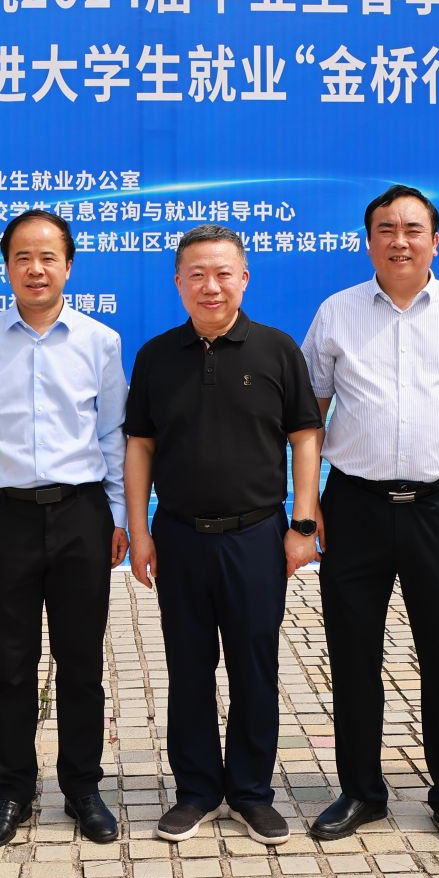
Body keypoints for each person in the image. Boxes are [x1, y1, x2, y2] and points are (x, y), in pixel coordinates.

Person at [302, 183, 439, 857]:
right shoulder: (336, 313)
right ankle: (361, 791)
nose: (400, 241)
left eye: (413, 229)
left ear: (435, 240)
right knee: (353, 656)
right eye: (386, 230)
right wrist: (307, 508)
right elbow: (309, 417)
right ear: (368, 240)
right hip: (356, 506)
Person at [124, 225, 322, 845]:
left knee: (254, 667)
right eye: (197, 276)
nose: (211, 287)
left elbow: (305, 437)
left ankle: (252, 793)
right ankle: (196, 791)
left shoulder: (277, 349)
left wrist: (303, 524)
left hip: (256, 535)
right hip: (179, 536)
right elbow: (139, 446)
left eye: (223, 274)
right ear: (178, 283)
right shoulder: (157, 356)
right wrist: (139, 533)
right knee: (188, 668)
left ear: (244, 279)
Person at [0, 208, 129, 849]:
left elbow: (112, 434)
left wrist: (117, 515)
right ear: (6, 267)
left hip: (81, 514)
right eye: (22, 257)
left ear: (68, 266)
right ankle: (13, 791)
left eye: (48, 257)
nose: (35, 269)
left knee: (81, 662)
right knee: (11, 665)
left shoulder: (99, 341)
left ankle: (83, 788)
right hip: (3, 518)